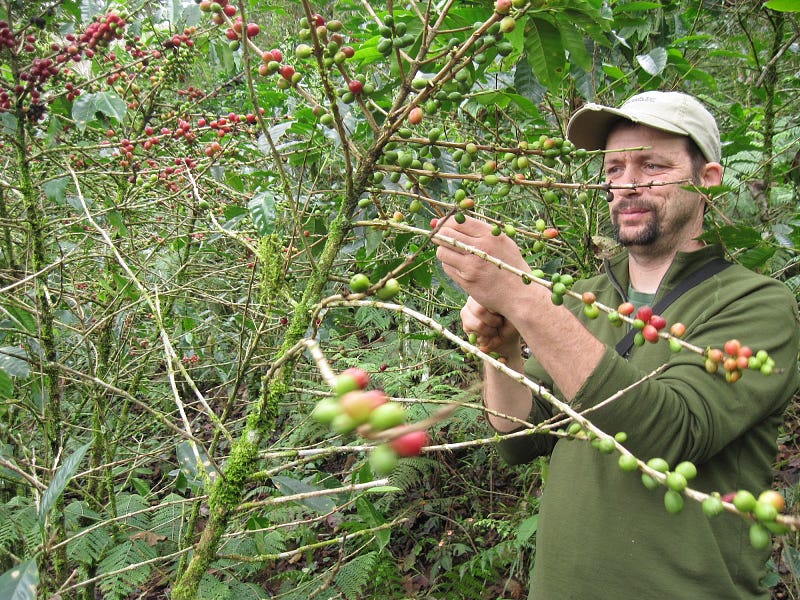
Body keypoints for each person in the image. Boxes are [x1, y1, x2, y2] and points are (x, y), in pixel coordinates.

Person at [434, 91, 800, 599]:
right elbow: (519, 437)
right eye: (615, 167)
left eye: (652, 165)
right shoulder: (589, 299)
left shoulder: (757, 304)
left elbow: (672, 436)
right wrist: (502, 349)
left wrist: (526, 298)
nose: (628, 184)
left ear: (708, 179)